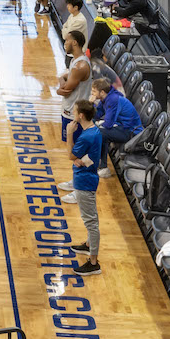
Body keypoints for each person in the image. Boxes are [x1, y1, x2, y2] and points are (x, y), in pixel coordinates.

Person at [69, 98, 104, 274]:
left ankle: (93, 262)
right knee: (92, 219)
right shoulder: (94, 131)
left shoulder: (86, 136)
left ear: (81, 116)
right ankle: (88, 245)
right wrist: (78, 160)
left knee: (91, 222)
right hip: (88, 178)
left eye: (75, 111)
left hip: (84, 182)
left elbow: (70, 155)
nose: (73, 114)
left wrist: (69, 134)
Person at [56, 31, 94, 140]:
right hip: (69, 110)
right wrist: (62, 80)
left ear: (74, 42)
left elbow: (66, 90)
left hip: (74, 115)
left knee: (72, 147)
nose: (65, 43)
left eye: (67, 40)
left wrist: (59, 90)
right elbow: (65, 77)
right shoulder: (75, 60)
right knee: (69, 145)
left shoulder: (80, 66)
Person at [93, 73, 143, 153]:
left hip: (131, 131)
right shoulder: (105, 98)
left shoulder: (112, 100)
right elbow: (96, 115)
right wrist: (90, 104)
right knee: (92, 122)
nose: (92, 94)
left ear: (102, 92)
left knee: (100, 132)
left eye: (94, 91)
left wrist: (98, 123)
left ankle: (103, 164)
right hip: (121, 126)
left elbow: (108, 124)